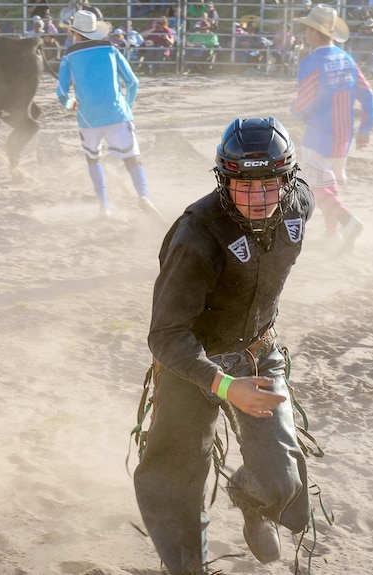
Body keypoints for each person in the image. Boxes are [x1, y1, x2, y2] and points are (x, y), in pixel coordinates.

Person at [134, 116, 315, 575]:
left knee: (283, 482)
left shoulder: (298, 203)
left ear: (288, 179)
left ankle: (253, 502)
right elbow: (165, 334)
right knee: (177, 480)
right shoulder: (197, 236)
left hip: (256, 352)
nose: (259, 198)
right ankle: (187, 568)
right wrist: (224, 385)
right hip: (191, 362)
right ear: (224, 179)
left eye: (270, 183)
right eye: (244, 185)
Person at [56, 10, 163, 221]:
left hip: (88, 117)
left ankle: (104, 207)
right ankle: (143, 196)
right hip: (118, 113)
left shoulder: (69, 56)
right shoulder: (111, 49)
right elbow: (132, 82)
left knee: (93, 159)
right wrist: (126, 106)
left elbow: (61, 93)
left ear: (75, 33)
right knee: (132, 158)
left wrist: (70, 105)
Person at [291, 4, 373, 252]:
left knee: (315, 185)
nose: (305, 32)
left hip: (319, 135)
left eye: (307, 28)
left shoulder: (311, 62)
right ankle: (331, 234)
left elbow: (304, 103)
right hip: (343, 136)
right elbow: (367, 94)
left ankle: (348, 221)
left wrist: (294, 110)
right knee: (328, 182)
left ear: (314, 32)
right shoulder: (346, 59)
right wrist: (365, 129)